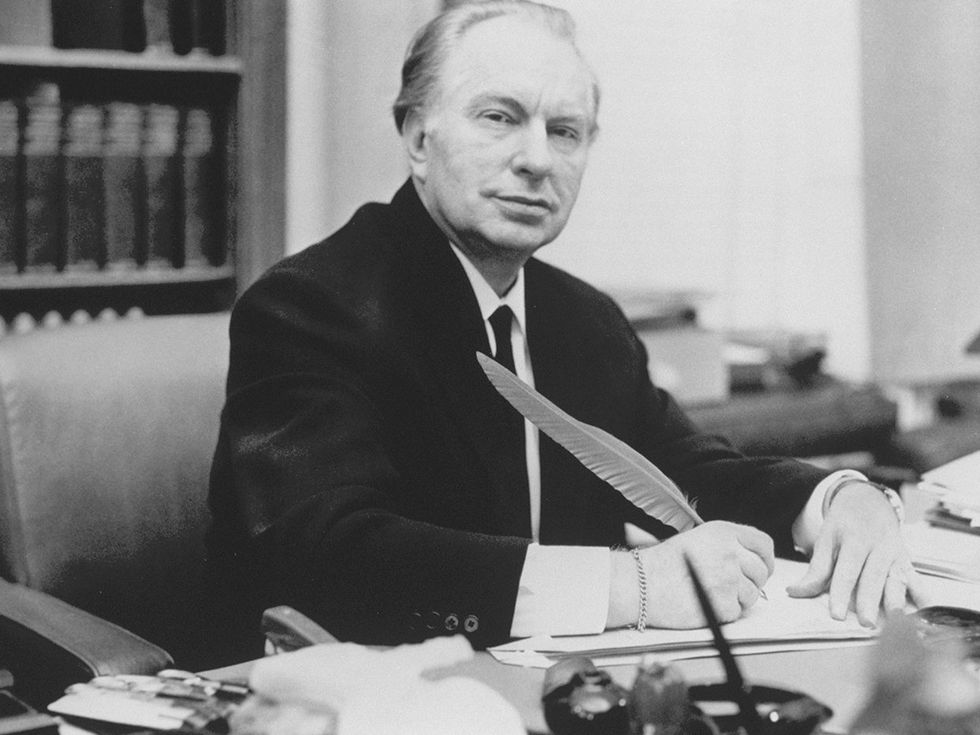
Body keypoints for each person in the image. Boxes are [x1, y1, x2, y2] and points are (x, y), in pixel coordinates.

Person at [207, 0, 918, 653]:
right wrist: (632, 586)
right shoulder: (309, 307)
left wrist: (838, 500)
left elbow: (687, 472)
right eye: (500, 117)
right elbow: (331, 556)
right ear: (418, 138)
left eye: (566, 131)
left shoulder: (585, 321)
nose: (538, 159)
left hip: (560, 690)